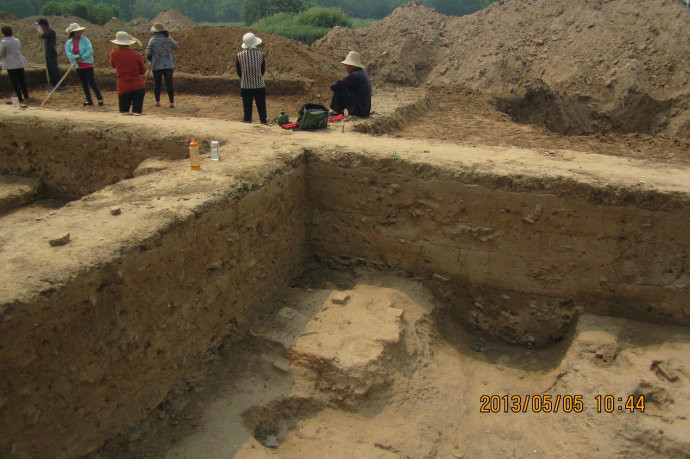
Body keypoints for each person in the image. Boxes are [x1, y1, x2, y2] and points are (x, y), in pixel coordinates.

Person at [65, 23, 104, 106]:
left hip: (87, 63)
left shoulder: (85, 40)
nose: (79, 32)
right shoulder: (68, 43)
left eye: (80, 31)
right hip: (78, 65)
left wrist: (82, 57)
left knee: (91, 81)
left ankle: (100, 98)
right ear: (73, 32)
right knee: (83, 83)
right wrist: (75, 57)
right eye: (77, 31)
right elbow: (69, 53)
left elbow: (90, 50)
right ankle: (89, 100)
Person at [109, 31, 146, 115]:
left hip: (123, 87)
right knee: (137, 113)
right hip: (138, 86)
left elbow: (113, 65)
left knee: (124, 113)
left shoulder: (114, 53)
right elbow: (143, 71)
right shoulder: (137, 54)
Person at [236, 32, 267, 124]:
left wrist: (246, 77)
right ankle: (263, 122)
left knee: (247, 109)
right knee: (261, 107)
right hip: (259, 85)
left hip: (245, 86)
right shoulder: (260, 55)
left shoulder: (239, 56)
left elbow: (239, 72)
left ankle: (247, 123)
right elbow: (262, 70)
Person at [329, 51, 371, 118]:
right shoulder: (363, 73)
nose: (347, 67)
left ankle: (337, 112)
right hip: (364, 111)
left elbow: (338, 85)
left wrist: (333, 87)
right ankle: (339, 111)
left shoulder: (355, 75)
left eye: (348, 66)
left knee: (339, 88)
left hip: (358, 112)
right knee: (343, 87)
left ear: (352, 66)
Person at [146, 23, 179, 108]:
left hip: (156, 65)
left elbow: (148, 52)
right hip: (168, 64)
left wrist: (150, 59)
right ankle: (171, 102)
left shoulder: (152, 40)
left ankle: (157, 102)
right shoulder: (168, 38)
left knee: (157, 84)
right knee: (169, 84)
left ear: (155, 32)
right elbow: (176, 46)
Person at [0, 26, 29, 107]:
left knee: (15, 82)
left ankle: (20, 98)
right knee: (22, 80)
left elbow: (1, 53)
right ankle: (26, 96)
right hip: (19, 62)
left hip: (11, 64)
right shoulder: (17, 40)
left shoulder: (4, 42)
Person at [36, 18, 61, 90]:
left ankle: (61, 84)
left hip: (51, 52)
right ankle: (53, 84)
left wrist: (40, 31)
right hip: (47, 52)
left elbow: (41, 35)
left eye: (40, 25)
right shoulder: (47, 32)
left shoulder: (51, 32)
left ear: (43, 25)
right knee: (49, 69)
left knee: (54, 69)